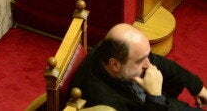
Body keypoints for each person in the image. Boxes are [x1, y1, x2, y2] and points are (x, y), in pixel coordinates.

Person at [72, 23, 207, 110]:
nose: (149, 64)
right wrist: (155, 96)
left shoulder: (112, 46)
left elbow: (160, 62)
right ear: (115, 64)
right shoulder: (103, 101)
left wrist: (196, 87)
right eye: (141, 60)